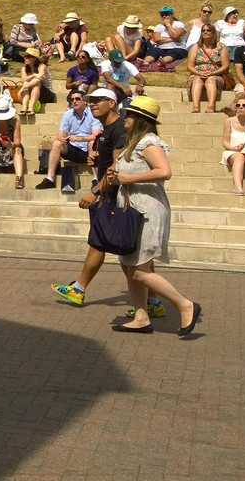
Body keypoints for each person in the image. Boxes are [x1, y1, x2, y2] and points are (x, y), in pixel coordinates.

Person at [51, 88, 161, 315]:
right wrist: (97, 157)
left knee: (126, 253)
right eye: (90, 101)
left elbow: (117, 166)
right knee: (112, 246)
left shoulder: (120, 128)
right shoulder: (108, 129)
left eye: (98, 100)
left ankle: (154, 302)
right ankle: (152, 302)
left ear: (112, 103)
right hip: (112, 194)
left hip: (115, 194)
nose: (92, 104)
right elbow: (113, 159)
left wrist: (95, 192)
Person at [108, 97, 202, 336]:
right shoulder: (134, 143)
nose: (124, 117)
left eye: (128, 114)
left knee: (140, 270)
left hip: (147, 212)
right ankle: (141, 317)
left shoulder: (148, 142)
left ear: (139, 119)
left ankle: (185, 304)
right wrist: (116, 176)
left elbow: (164, 171)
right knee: (130, 268)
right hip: (133, 211)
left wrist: (128, 178)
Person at [35, 89, 102, 189]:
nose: (74, 101)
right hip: (73, 148)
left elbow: (96, 135)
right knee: (57, 143)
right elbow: (60, 134)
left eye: (77, 99)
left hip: (89, 148)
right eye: (72, 99)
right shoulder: (68, 114)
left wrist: (80, 139)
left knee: (92, 142)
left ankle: (96, 179)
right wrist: (63, 139)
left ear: (85, 101)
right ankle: (50, 178)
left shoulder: (93, 114)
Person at [186, 25, 230, 114]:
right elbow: (190, 66)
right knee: (197, 80)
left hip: (215, 74)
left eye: (208, 30)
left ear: (213, 32)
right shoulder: (196, 47)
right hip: (197, 73)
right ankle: (195, 106)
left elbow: (225, 65)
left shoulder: (221, 47)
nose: (205, 32)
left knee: (211, 80)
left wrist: (212, 73)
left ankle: (211, 106)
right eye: (203, 30)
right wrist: (199, 73)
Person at [0, 97, 25, 189]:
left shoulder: (15, 122)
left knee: (17, 150)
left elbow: (17, 142)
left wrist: (11, 144)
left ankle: (19, 178)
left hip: (11, 148)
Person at [17, 47, 54, 116]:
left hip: (46, 94)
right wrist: (33, 75)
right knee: (26, 82)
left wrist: (23, 88)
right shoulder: (24, 68)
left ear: (34, 58)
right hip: (32, 92)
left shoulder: (42, 66)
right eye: (25, 56)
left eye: (28, 56)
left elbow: (38, 79)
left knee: (36, 84)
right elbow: (23, 80)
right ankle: (24, 107)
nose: (25, 58)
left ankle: (31, 108)